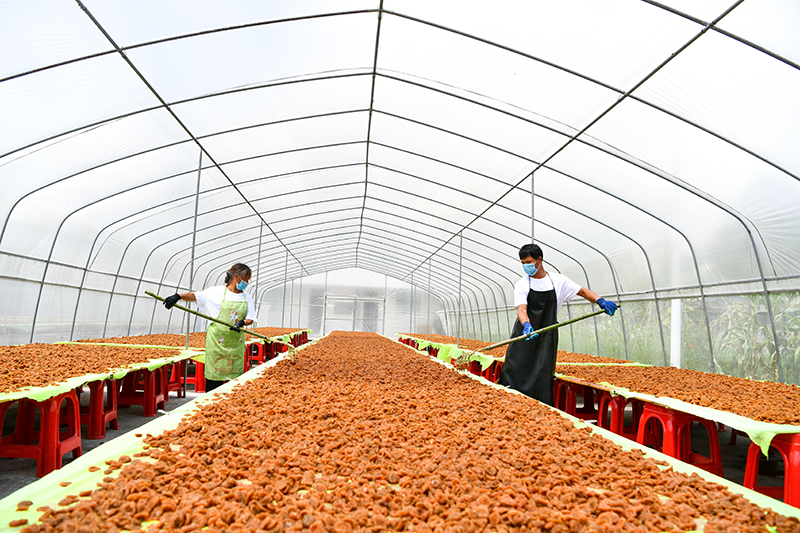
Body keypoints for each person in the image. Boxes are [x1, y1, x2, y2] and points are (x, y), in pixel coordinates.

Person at [498, 244, 617, 405]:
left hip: (547, 334)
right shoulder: (522, 284)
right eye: (523, 263)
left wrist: (600, 300)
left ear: (539, 260)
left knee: (542, 371)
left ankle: (541, 406)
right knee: (517, 367)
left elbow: (582, 291)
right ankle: (509, 402)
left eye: (529, 262)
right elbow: (522, 308)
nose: (526, 266)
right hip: (526, 333)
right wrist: (526, 325)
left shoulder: (558, 281)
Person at [163, 263, 256, 392]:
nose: (246, 283)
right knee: (214, 377)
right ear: (236, 277)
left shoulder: (247, 298)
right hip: (217, 342)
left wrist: (241, 323)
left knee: (234, 380)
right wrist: (178, 296)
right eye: (245, 279)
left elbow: (250, 319)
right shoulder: (215, 292)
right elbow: (195, 296)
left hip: (235, 343)